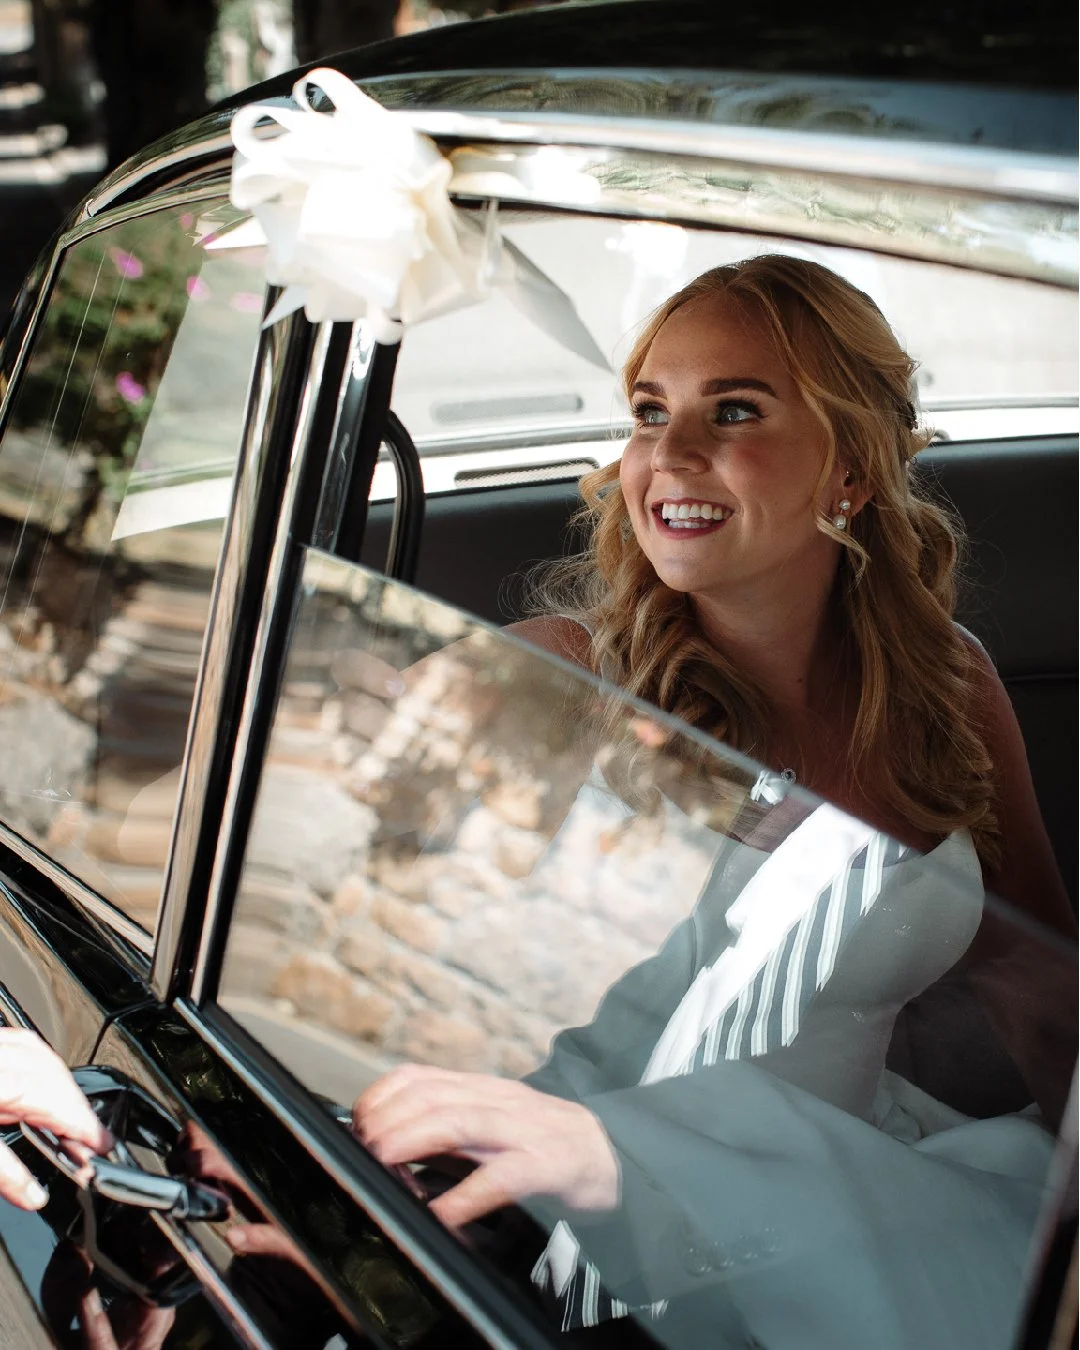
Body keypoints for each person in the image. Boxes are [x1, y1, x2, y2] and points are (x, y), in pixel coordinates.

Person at [353, 257, 1075, 1346]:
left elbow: (1043, 991)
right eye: (650, 413)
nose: (667, 456)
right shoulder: (553, 681)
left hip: (852, 1208)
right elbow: (337, 938)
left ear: (850, 472)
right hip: (593, 1234)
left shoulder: (948, 683)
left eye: (733, 410)